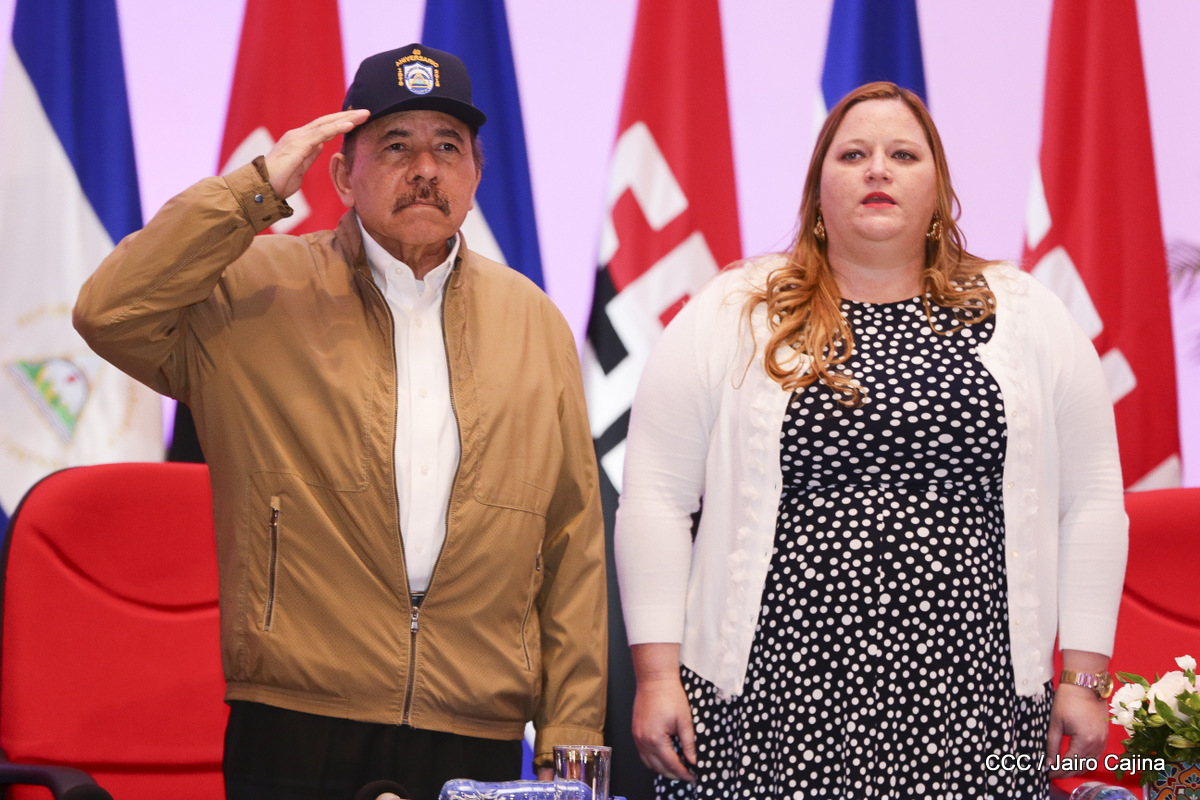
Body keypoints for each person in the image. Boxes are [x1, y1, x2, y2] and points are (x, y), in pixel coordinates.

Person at [74, 43, 607, 800]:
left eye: (447, 148)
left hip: (476, 726)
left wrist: (573, 736)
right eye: (395, 146)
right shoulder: (252, 291)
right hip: (297, 719)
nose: (424, 169)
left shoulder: (535, 321)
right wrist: (255, 189)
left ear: (476, 176)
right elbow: (110, 311)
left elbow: (571, 538)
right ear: (340, 176)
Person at [614, 81, 1127, 799]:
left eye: (903, 155)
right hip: (768, 704)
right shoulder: (733, 309)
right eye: (853, 154)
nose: (878, 169)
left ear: (939, 191)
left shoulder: (1028, 314)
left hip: (973, 701)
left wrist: (1084, 676)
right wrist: (656, 675)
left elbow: (1094, 500)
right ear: (817, 191)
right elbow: (656, 499)